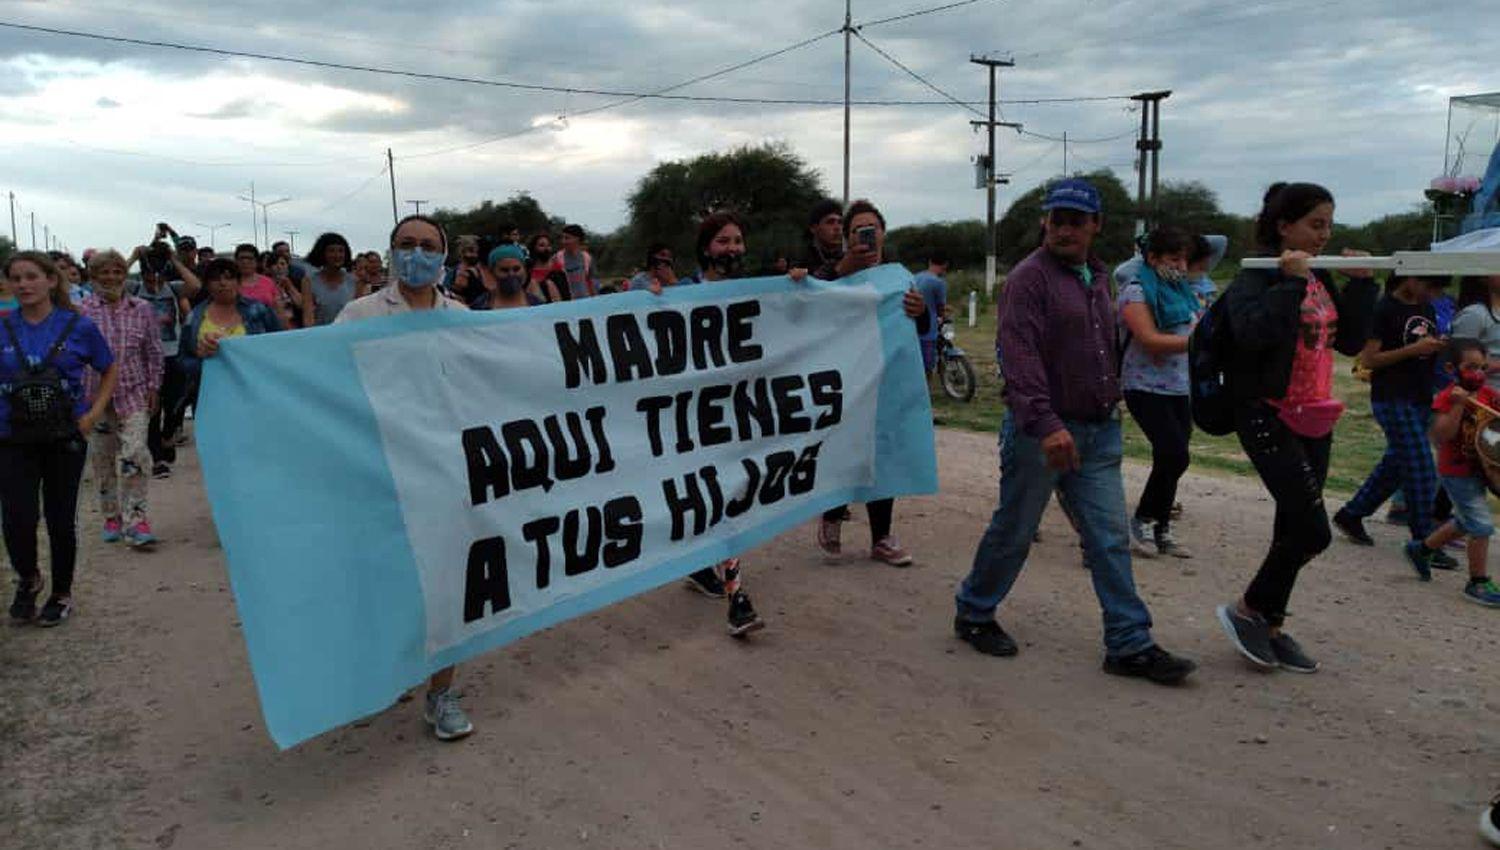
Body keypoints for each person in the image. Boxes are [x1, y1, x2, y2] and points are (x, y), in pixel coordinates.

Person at [953, 178, 1197, 685]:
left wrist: (1114, 393)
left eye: (1076, 220)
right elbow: (1018, 358)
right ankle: (974, 612)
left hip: (1098, 430)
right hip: (1041, 432)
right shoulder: (1029, 280)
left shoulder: (1097, 276)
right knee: (1015, 529)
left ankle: (1129, 643)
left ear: (1095, 225)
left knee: (1108, 539)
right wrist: (1045, 424)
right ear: (1045, 222)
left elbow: (1104, 343)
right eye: (1057, 219)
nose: (1064, 229)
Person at [1214, 182, 1378, 674]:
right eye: (1315, 224)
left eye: (1329, 224)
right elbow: (1253, 335)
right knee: (1313, 530)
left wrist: (1364, 283)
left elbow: (1347, 341)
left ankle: (1271, 623)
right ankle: (1248, 610)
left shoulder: (1319, 277)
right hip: (1266, 413)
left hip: (1314, 414)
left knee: (1292, 526)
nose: (1325, 235)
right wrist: (1288, 283)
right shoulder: (1256, 277)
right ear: (1285, 226)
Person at [335, 214, 474, 741]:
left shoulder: (461, 318)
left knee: (446, 586)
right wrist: (226, 351)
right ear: (390, 251)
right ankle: (394, 668)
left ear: (444, 256)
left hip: (447, 471)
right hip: (381, 472)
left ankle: (441, 693)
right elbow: (315, 373)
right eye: (406, 245)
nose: (417, 254)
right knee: (393, 583)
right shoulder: (360, 313)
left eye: (427, 246)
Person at [649, 211, 766, 636]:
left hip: (741, 412)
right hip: (695, 415)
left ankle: (706, 567)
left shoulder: (760, 292)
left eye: (738, 240)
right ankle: (737, 597)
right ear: (705, 249)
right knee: (717, 495)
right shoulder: (681, 294)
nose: (732, 249)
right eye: (723, 242)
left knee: (732, 492)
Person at [2, 251, 118, 627]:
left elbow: (108, 366)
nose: (23, 285)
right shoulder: (3, 326)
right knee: (17, 518)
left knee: (59, 519)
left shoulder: (78, 326)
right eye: (16, 278)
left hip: (64, 436)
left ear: (51, 281)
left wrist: (94, 413)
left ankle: (61, 593)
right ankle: (29, 577)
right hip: (11, 436)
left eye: (31, 277)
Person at [813, 200, 925, 568]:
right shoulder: (833, 275)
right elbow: (807, 303)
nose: (867, 233)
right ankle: (832, 516)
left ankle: (882, 537)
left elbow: (921, 329)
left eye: (872, 227)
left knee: (884, 454)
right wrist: (843, 270)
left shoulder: (899, 276)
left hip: (886, 382)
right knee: (844, 449)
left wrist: (919, 314)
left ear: (883, 232)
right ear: (846, 238)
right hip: (843, 383)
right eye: (857, 229)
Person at [1331, 274, 1451, 559]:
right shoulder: (1384, 309)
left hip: (1420, 395)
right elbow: (1369, 360)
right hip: (1392, 397)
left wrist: (1438, 347)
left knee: (1396, 464)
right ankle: (1424, 542)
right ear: (1410, 277)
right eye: (1430, 285)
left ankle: (1352, 514)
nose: (1433, 293)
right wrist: (1414, 349)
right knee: (1421, 467)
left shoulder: (1426, 307)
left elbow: (1422, 346)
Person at [1118, 226, 1203, 559]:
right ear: (1151, 258)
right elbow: (1149, 339)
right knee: (1174, 453)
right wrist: (1202, 345)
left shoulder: (1182, 291)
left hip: (1179, 386)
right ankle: (1141, 522)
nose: (1181, 266)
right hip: (1144, 386)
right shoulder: (1136, 291)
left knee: (1172, 459)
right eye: (1173, 258)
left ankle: (1161, 527)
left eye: (1185, 259)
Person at [1403, 340, 1500, 605]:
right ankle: (1477, 582)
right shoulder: (1447, 398)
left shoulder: (1489, 396)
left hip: (1479, 468)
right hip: (1456, 471)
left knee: (1465, 521)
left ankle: (1421, 549)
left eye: (1482, 367)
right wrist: (1458, 405)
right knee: (1481, 525)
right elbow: (1440, 435)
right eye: (1470, 367)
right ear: (1451, 368)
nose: (1478, 373)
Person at [79, 250, 164, 548]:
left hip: (134, 393)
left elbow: (153, 350)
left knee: (135, 454)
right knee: (103, 461)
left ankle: (136, 519)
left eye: (117, 271)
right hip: (95, 398)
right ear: (93, 276)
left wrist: (154, 386)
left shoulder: (141, 308)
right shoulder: (83, 310)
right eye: (104, 272)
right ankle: (111, 516)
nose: (111, 277)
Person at [128, 250, 193, 478]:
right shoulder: (134, 289)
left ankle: (168, 437)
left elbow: (195, 285)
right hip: (143, 358)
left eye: (159, 277)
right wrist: (134, 257)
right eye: (148, 277)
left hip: (172, 354)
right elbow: (109, 284)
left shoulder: (173, 288)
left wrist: (175, 260)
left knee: (177, 402)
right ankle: (157, 460)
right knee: (152, 410)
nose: (154, 283)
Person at [182, 259, 283, 370]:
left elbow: (279, 344)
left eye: (229, 278)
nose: (223, 283)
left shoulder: (258, 309)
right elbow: (183, 359)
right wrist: (200, 355)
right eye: (215, 279)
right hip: (209, 382)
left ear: (238, 282)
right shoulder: (194, 316)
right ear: (207, 285)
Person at [301, 232, 359, 326]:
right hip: (321, 336)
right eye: (331, 251)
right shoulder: (309, 282)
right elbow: (308, 318)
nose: (337, 255)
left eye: (341, 251)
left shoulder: (354, 282)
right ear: (322, 253)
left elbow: (359, 315)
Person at [912, 250, 949, 379]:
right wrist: (944, 317)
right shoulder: (939, 283)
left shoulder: (915, 277)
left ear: (930, 262)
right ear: (945, 265)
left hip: (912, 327)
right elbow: (940, 307)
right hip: (928, 330)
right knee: (928, 366)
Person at [473, 244, 539, 309]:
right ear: (492, 272)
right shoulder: (481, 305)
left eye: (516, 269)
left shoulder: (537, 305)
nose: (511, 274)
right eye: (504, 270)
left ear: (524, 270)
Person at [550, 224, 598, 299]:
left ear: (577, 239)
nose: (563, 241)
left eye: (567, 238)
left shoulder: (587, 258)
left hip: (586, 300)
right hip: (567, 303)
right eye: (562, 238)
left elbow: (593, 282)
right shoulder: (556, 258)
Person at [801, 198, 845, 280]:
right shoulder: (800, 260)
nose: (837, 228)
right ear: (814, 228)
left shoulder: (847, 258)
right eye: (830, 222)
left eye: (840, 222)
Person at [232, 243, 279, 310]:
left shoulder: (269, 282)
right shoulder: (229, 283)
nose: (245, 262)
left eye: (250, 258)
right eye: (242, 258)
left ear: (256, 261)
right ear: (236, 261)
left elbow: (278, 307)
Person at [268, 253, 304, 329]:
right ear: (269, 268)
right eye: (275, 264)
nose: (279, 267)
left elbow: (301, 304)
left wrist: (289, 286)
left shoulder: (296, 283)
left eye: (282, 264)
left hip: (295, 327)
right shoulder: (266, 286)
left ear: (287, 267)